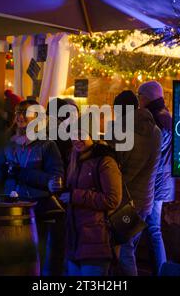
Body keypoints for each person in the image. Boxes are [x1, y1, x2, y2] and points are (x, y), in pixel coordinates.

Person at [0, 99, 64, 276]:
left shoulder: (47, 145)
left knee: (33, 261)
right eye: (17, 112)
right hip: (9, 210)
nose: (20, 116)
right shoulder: (8, 143)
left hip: (35, 211)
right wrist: (1, 170)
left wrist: (21, 173)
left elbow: (55, 181)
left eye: (25, 112)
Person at [59, 118, 122, 276]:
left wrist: (75, 196)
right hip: (75, 239)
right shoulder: (74, 159)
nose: (77, 139)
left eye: (82, 134)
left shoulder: (105, 161)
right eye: (74, 134)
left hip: (96, 238)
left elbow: (113, 199)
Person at [112, 90, 162, 276]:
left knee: (125, 251)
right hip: (146, 199)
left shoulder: (122, 131)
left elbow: (117, 168)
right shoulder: (155, 130)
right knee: (129, 247)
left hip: (126, 200)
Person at [137, 81, 175, 275]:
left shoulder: (158, 119)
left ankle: (160, 269)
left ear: (147, 97)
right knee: (152, 228)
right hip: (160, 180)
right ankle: (160, 268)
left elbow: (155, 149)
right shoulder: (165, 115)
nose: (138, 100)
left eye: (140, 95)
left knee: (147, 228)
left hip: (154, 181)